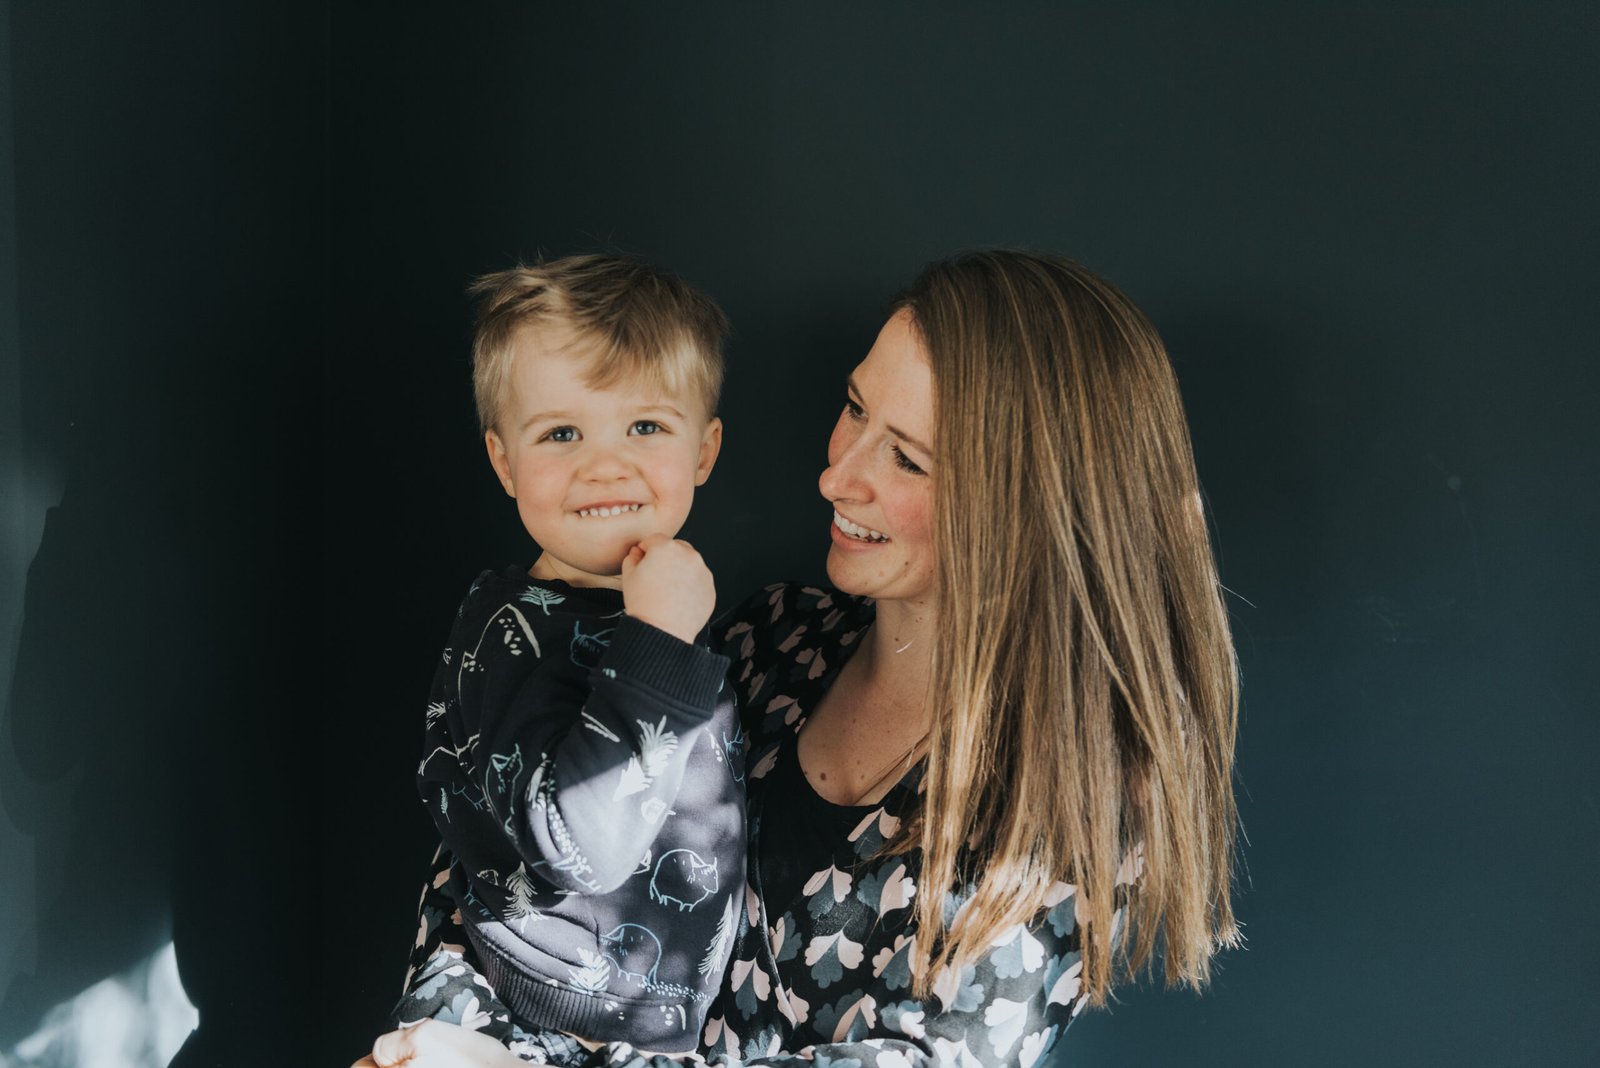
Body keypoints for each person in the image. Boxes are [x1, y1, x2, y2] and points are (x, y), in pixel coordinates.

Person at [358, 249, 1240, 1067]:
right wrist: (439, 1030)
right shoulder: (768, 641)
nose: (837, 477)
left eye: (906, 458)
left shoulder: (1076, 794)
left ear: (1029, 510)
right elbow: (499, 851)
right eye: (856, 408)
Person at [392, 255, 747, 1063]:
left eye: (646, 427)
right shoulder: (513, 631)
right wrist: (659, 643)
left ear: (704, 450)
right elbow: (579, 845)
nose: (604, 464)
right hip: (534, 1021)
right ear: (505, 463)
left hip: (660, 1018)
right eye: (561, 434)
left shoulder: (659, 605)